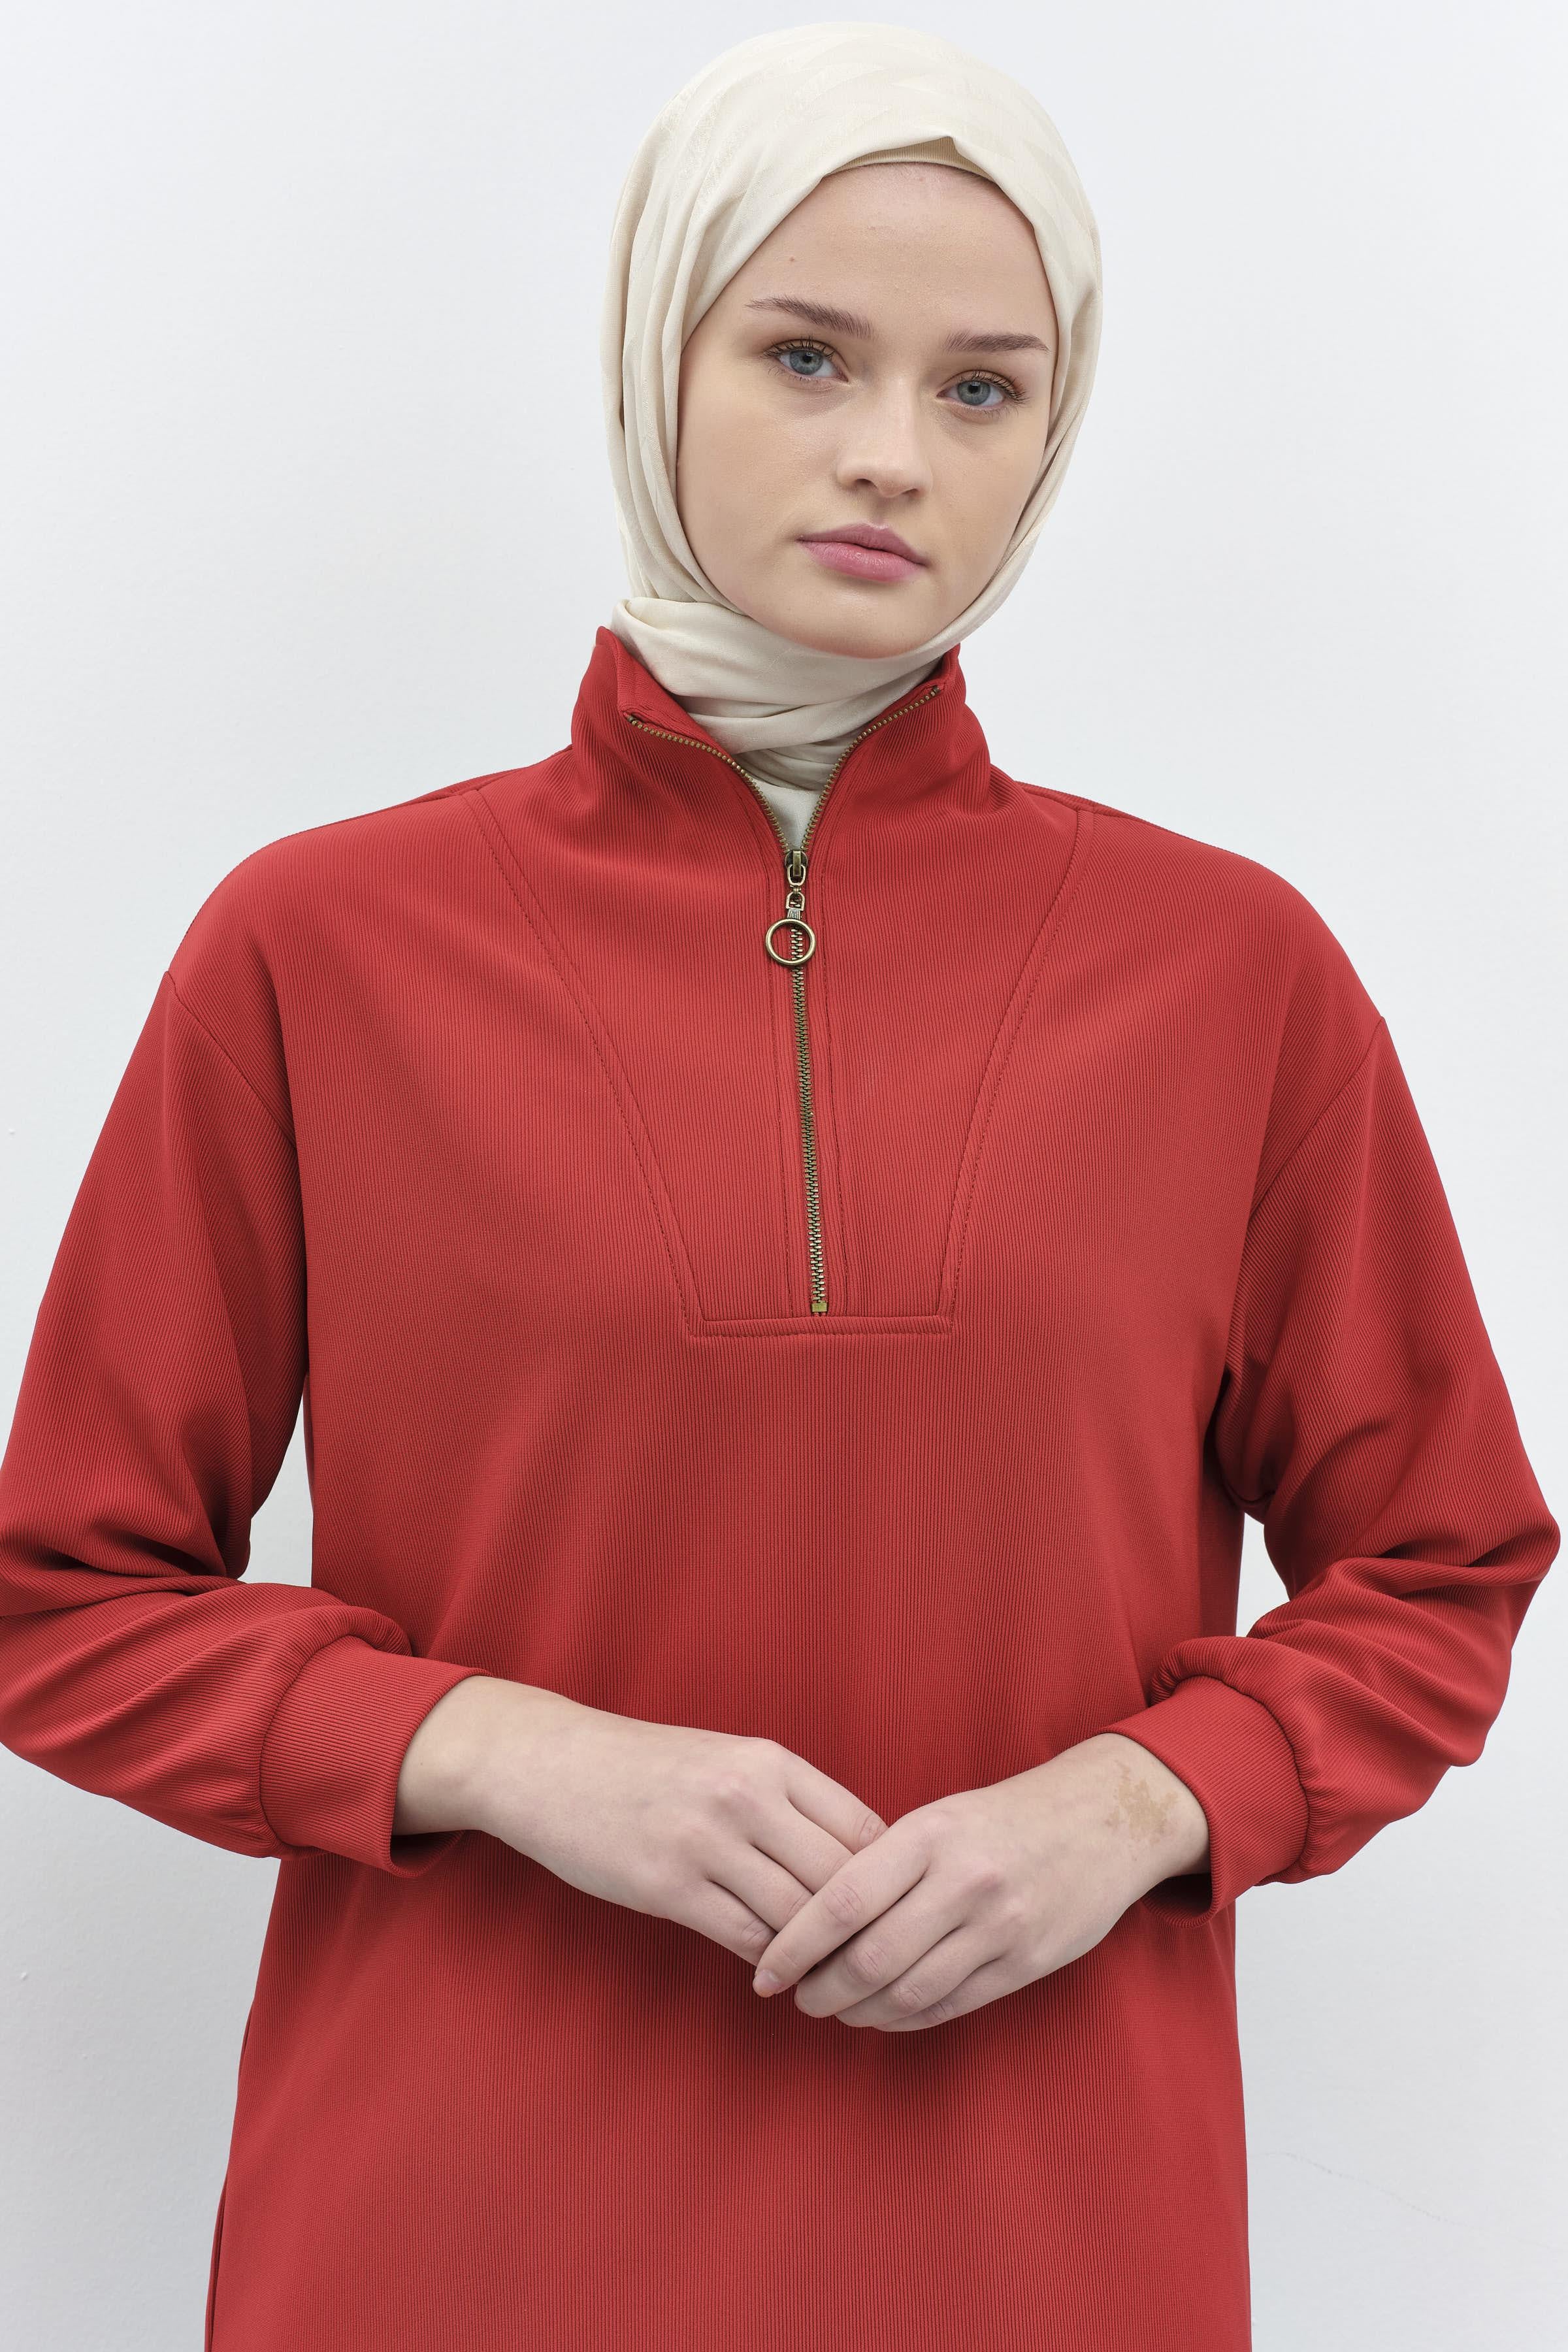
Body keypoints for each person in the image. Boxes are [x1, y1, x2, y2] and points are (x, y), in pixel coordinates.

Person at [0, 22, 1555, 2352]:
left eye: (983, 390)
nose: (890, 453)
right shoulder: (317, 949)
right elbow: (63, 1592)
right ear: (659, 353)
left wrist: (1141, 1803)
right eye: (807, 354)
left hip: (1046, 2247)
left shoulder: (1232, 974)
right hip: (452, 2239)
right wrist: (498, 1752)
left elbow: (1440, 1565)